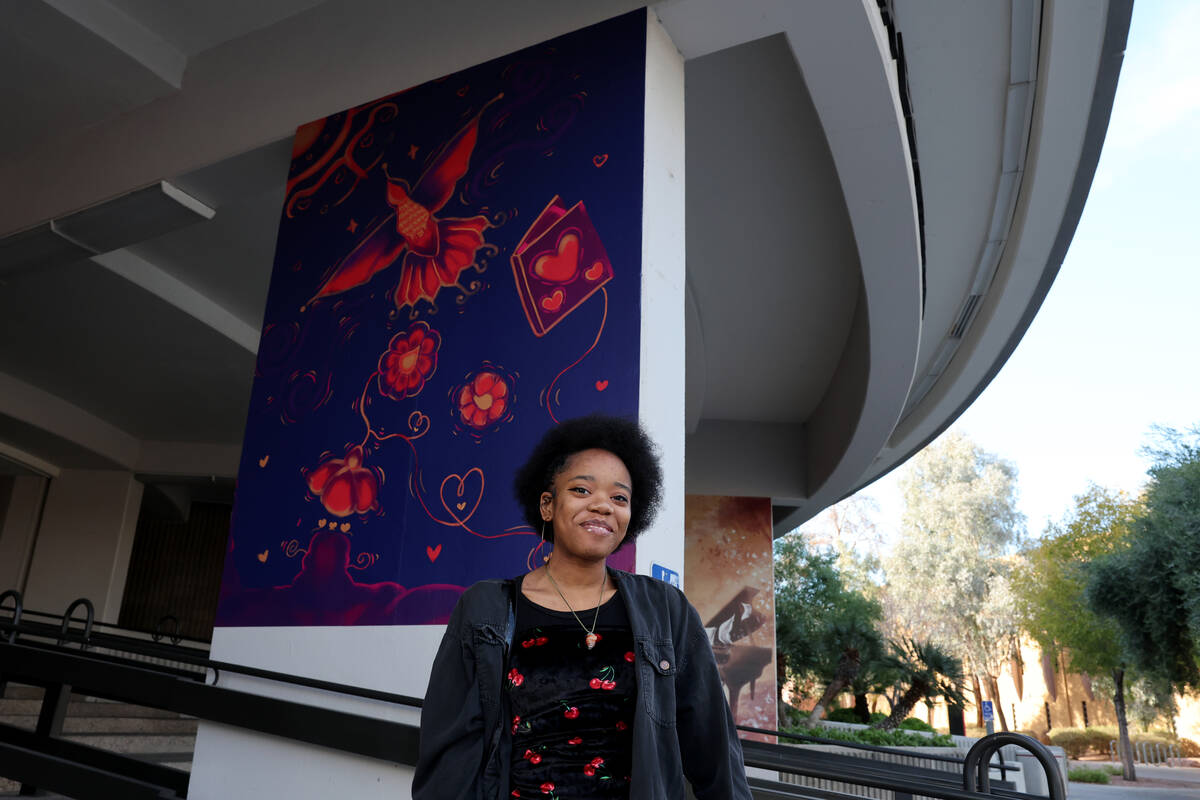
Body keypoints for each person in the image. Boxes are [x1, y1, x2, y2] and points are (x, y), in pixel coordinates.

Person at [413, 415, 752, 799]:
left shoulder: (666, 609)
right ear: (547, 505)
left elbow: (713, 747)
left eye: (619, 497)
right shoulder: (484, 609)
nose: (603, 506)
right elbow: (449, 754)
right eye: (581, 490)